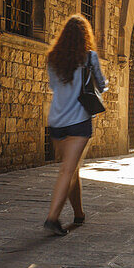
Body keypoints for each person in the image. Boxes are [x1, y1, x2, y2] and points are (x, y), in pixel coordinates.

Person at [43, 14, 107, 236]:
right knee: (67, 170)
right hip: (79, 121)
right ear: (84, 36)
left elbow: (53, 86)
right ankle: (53, 217)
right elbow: (102, 85)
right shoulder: (89, 57)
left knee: (72, 170)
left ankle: (79, 213)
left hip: (56, 121)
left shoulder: (53, 58)